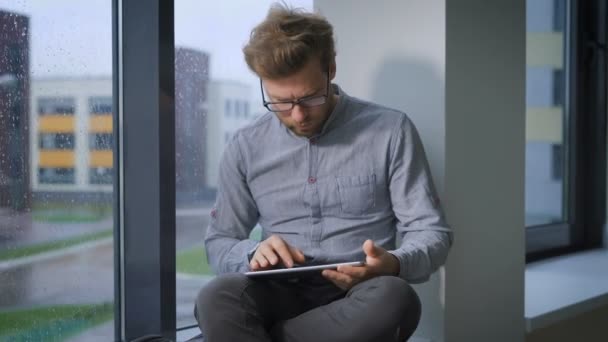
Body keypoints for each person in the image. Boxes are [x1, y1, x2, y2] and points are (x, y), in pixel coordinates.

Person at [195, 4, 453, 342]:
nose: (297, 115)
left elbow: (432, 232)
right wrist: (252, 252)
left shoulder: (391, 130)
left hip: (358, 295)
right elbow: (220, 240)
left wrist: (393, 263)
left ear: (331, 69)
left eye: (309, 98)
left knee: (397, 299)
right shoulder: (245, 146)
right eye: (280, 102)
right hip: (275, 291)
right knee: (216, 298)